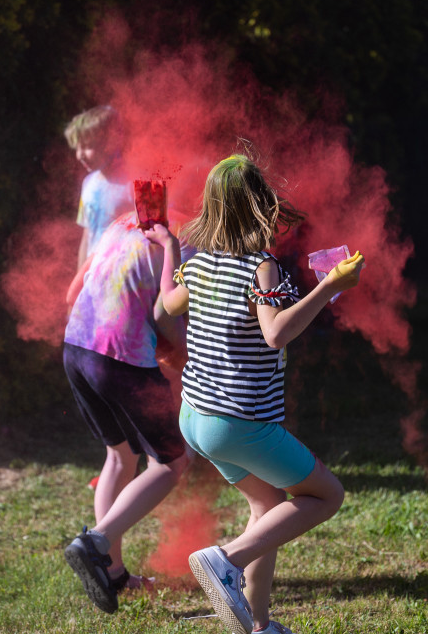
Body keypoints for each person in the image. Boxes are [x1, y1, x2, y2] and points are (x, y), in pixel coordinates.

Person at [144, 153, 365, 634]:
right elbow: (276, 334)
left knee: (266, 507)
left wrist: (168, 249)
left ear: (213, 208)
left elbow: (166, 305)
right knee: (327, 495)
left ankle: (258, 625)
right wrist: (330, 285)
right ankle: (226, 559)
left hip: (196, 417)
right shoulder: (261, 267)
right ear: (262, 206)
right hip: (237, 422)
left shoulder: (200, 263)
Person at [61, 210, 194, 614]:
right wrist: (185, 356)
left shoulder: (122, 222)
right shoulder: (182, 240)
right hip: (122, 360)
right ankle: (95, 541)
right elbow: (164, 316)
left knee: (119, 456)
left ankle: (114, 574)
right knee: (171, 463)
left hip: (76, 348)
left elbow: (72, 293)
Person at [64, 105, 135, 269]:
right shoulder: (88, 183)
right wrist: (79, 281)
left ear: (112, 141)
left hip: (123, 276)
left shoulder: (134, 184)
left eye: (87, 146)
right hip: (93, 277)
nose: (80, 155)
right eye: (77, 148)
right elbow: (87, 235)